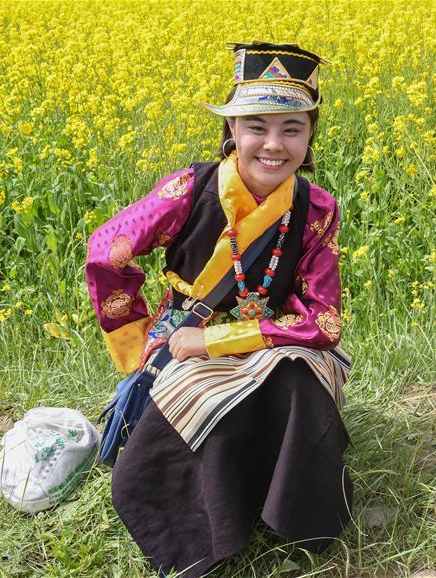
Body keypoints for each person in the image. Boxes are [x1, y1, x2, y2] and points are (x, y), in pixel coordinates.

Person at [85, 42, 351, 576]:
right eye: (256, 126)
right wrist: (139, 339)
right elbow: (106, 249)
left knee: (297, 381)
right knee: (192, 400)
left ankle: (294, 516)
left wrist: (222, 341)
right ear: (232, 131)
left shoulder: (317, 208)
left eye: (292, 129)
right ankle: (201, 535)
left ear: (310, 135)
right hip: (184, 331)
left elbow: (324, 320)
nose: (274, 145)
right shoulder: (190, 189)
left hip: (270, 338)